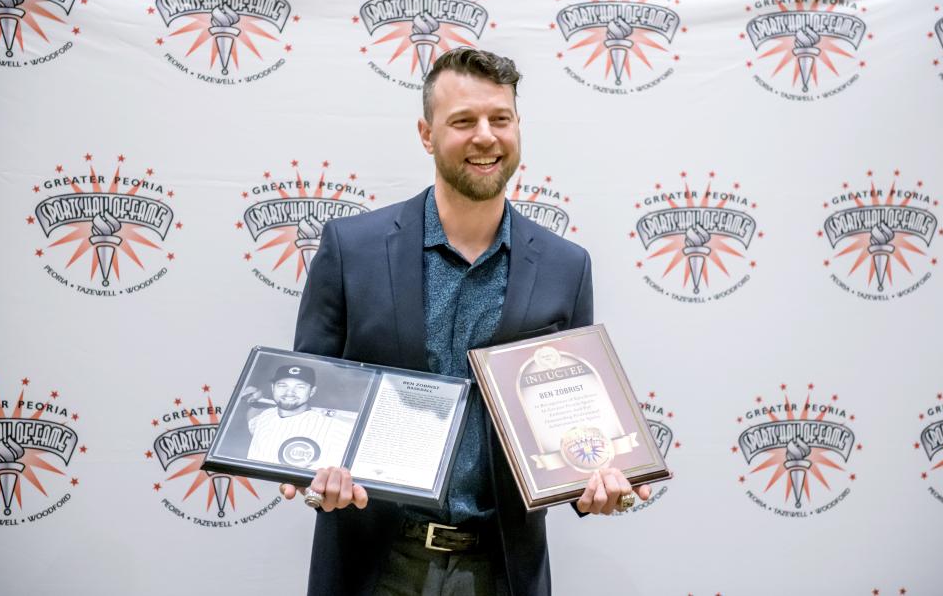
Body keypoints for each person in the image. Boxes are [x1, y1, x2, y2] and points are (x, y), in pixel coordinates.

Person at [280, 49, 650, 595]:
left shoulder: (566, 267)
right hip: (372, 565)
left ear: (518, 126)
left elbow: (571, 424)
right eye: (463, 121)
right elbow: (306, 396)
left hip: (500, 570)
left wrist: (594, 482)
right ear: (426, 134)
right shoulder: (349, 249)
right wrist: (314, 472)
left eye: (500, 118)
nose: (485, 137)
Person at [241, 364, 356, 469]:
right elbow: (253, 413)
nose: (290, 392)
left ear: (312, 391)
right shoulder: (264, 416)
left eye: (300, 387)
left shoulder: (331, 426)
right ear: (273, 388)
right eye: (282, 385)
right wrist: (256, 399)